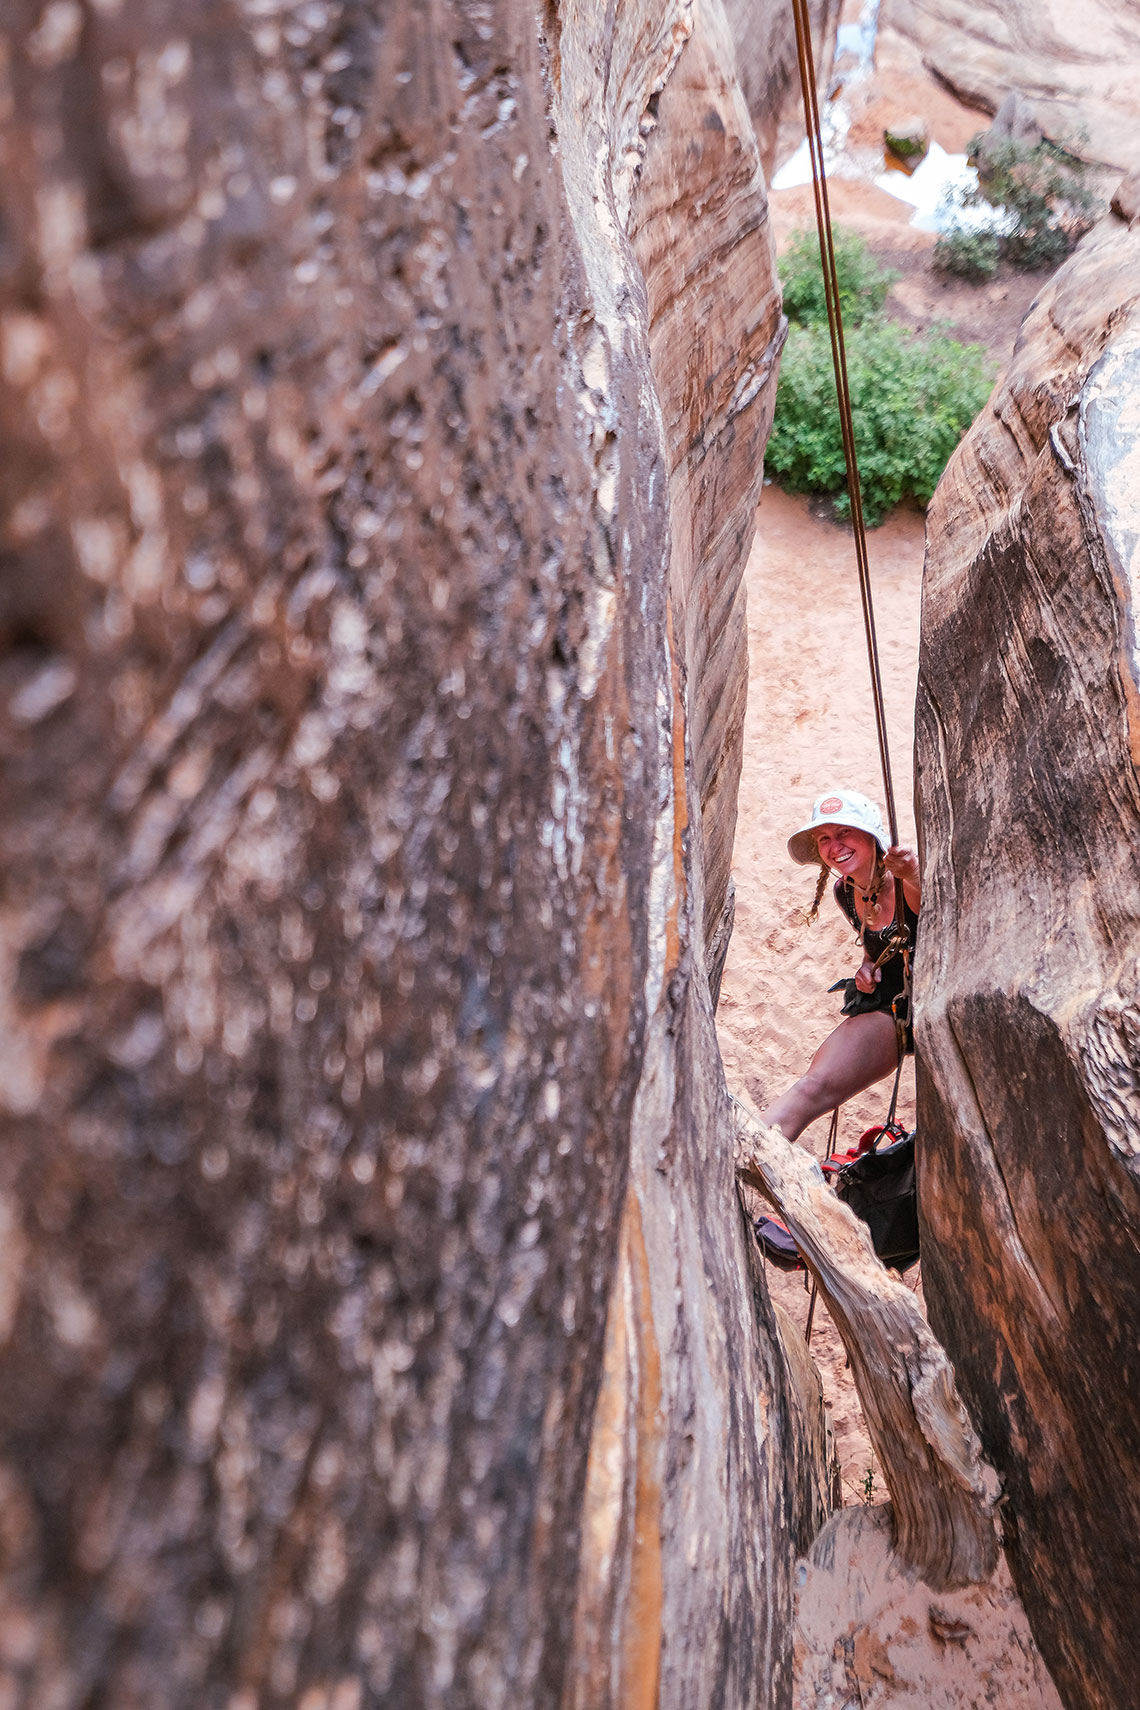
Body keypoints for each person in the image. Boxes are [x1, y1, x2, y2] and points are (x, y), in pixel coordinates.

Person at [760, 787, 920, 1145]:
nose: (835, 846)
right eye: (825, 838)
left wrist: (911, 871)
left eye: (845, 832)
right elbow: (874, 947)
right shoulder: (844, 891)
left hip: (944, 1009)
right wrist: (867, 969)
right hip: (895, 1010)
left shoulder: (905, 882)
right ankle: (742, 1155)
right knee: (812, 1087)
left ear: (871, 837)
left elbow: (935, 896)